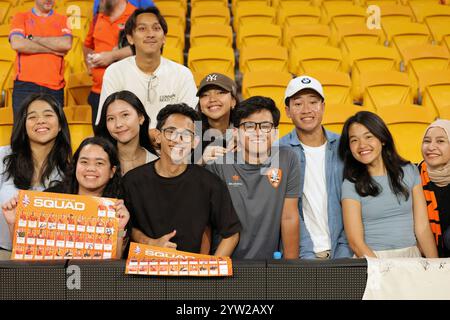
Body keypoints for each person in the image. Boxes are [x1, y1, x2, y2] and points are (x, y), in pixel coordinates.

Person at [122, 103, 241, 256]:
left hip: (191, 275)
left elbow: (231, 233)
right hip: (143, 271)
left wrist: (208, 270)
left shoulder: (210, 183)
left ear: (194, 142)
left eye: (186, 134)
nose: (177, 139)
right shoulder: (132, 181)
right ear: (158, 136)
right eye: (170, 131)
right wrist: (150, 243)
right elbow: (126, 227)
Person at [2, 136, 130, 259]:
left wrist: (119, 230)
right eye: (84, 162)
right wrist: (13, 224)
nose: (91, 168)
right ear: (75, 166)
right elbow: (25, 250)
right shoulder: (49, 198)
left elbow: (115, 263)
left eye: (99, 163)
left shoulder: (118, 208)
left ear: (112, 171)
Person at [207, 96, 300, 260]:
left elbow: (289, 217)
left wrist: (291, 269)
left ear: (276, 132)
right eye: (249, 126)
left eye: (265, 126)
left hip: (270, 265)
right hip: (225, 262)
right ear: (235, 132)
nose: (258, 133)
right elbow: (206, 224)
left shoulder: (287, 159)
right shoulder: (218, 165)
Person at [339, 111, 438, 258]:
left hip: (410, 257)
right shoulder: (351, 184)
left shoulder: (409, 171)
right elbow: (356, 243)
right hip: (373, 260)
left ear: (382, 139)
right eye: (354, 140)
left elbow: (422, 227)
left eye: (368, 137)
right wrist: (384, 271)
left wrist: (435, 266)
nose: (361, 145)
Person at [95, 7, 198, 147]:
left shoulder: (182, 74)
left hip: (172, 150)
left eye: (156, 28)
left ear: (164, 38)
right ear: (130, 38)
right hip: (129, 150)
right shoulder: (115, 72)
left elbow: (190, 123)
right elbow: (108, 122)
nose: (150, 34)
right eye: (142, 29)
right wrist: (147, 136)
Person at [278, 75, 352, 259]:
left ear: (323, 106)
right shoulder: (278, 151)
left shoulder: (345, 146)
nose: (307, 110)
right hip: (303, 253)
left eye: (313, 102)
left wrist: (345, 250)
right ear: (287, 111)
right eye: (298, 104)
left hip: (344, 250)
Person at [0, 93, 72, 260]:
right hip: (3, 252)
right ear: (23, 126)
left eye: (48, 115)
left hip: (48, 258)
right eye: (32, 117)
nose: (41, 121)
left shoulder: (70, 171)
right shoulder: (3, 157)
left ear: (60, 125)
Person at [9, 0, 72, 119]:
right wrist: (53, 49)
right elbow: (18, 44)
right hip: (25, 85)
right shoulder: (21, 17)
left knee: (54, 131)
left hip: (55, 86)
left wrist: (32, 38)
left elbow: (66, 44)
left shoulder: (63, 19)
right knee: (22, 131)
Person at [83, 0, 135, 125]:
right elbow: (87, 45)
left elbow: (142, 48)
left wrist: (112, 56)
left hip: (125, 93)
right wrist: (89, 63)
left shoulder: (135, 16)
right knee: (101, 140)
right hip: (98, 92)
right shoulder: (98, 17)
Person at [95, 90, 158, 175]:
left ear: (141, 118)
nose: (118, 124)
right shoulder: (100, 160)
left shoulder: (156, 164)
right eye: (111, 118)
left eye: (125, 115)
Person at [418, 119, 450, 257]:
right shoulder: (411, 175)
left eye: (440, 141)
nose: (431, 147)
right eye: (427, 141)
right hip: (423, 254)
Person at [195, 72, 238, 164]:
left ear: (233, 101)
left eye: (220, 93)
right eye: (205, 95)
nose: (212, 99)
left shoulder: (246, 131)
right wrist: (201, 161)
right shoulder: (191, 135)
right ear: (200, 106)